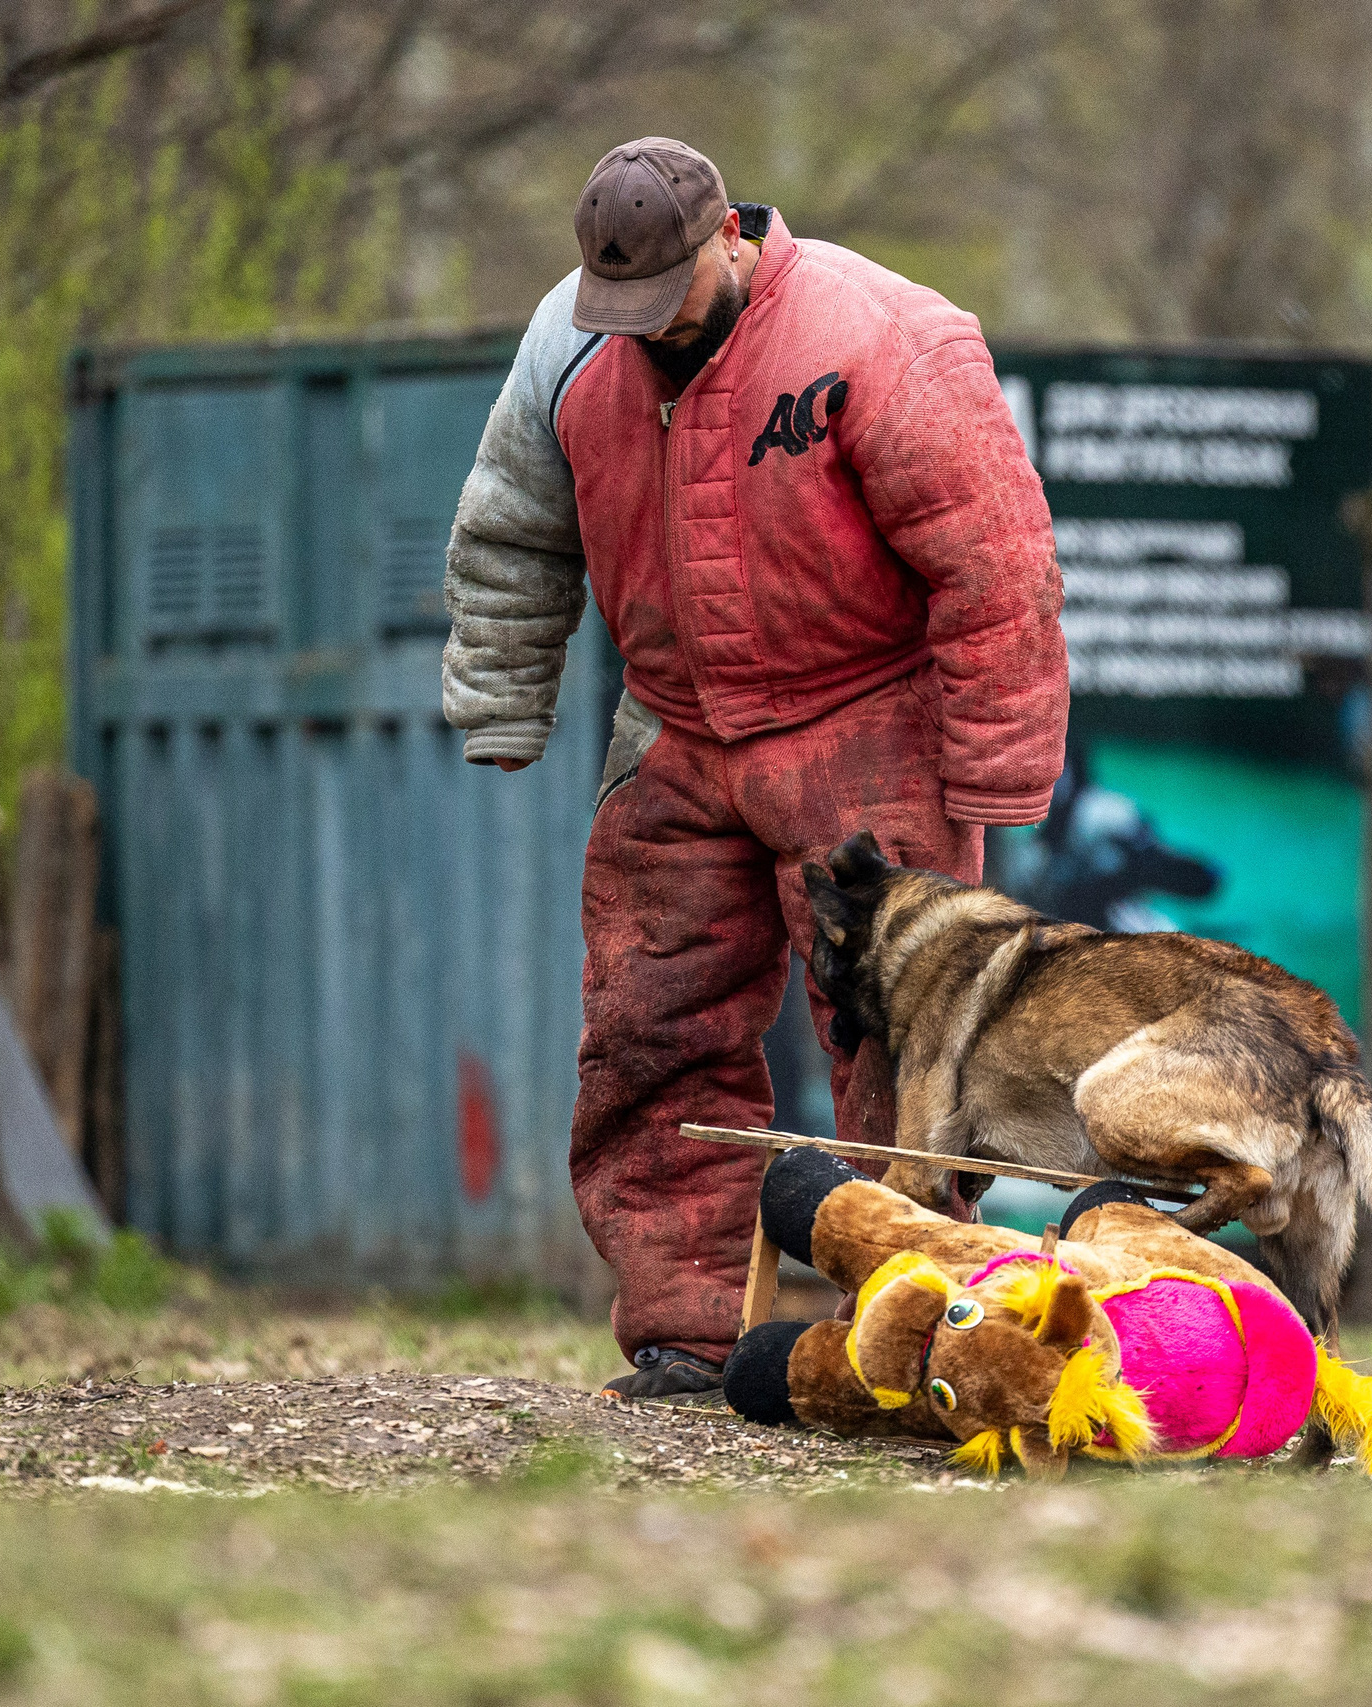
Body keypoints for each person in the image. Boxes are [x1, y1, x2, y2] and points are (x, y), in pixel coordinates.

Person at [442, 138, 1067, 1401]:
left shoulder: (882, 335)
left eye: (666, 297)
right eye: (619, 308)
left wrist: (998, 770)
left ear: (727, 235)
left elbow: (993, 563)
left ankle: (907, 1331)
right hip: (673, 733)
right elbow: (512, 528)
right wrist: (505, 703)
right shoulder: (566, 345)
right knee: (647, 1030)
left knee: (902, 1043)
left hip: (869, 724)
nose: (645, 328)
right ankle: (689, 1325)